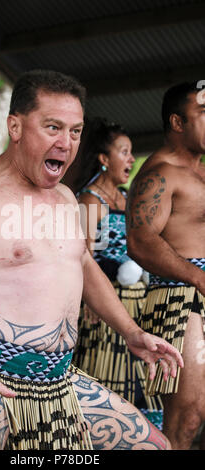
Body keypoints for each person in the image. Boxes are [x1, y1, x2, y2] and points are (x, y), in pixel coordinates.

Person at [0, 70, 183, 451]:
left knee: (155, 447)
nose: (66, 143)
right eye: (53, 127)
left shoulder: (67, 198)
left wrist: (131, 332)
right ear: (15, 127)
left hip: (61, 384)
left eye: (75, 131)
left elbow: (82, 264)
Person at [126, 81, 205, 450]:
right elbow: (141, 240)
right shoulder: (160, 172)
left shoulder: (201, 171)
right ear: (177, 122)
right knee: (187, 415)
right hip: (181, 299)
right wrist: (198, 276)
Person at [72, 117, 163, 429]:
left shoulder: (127, 200)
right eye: (124, 152)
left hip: (139, 304)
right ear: (103, 159)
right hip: (107, 304)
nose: (131, 159)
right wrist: (89, 303)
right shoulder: (90, 200)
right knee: (110, 375)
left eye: (131, 152)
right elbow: (85, 258)